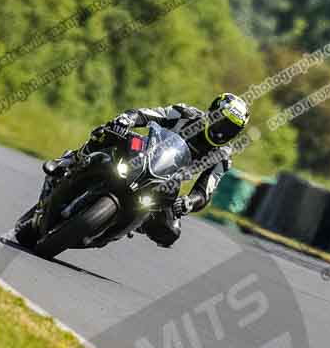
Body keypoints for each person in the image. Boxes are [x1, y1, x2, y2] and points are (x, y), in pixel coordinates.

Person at [41, 93, 250, 247]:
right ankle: (71, 159)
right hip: (141, 155)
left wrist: (188, 202)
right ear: (212, 112)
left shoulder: (222, 156)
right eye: (222, 121)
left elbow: (205, 191)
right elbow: (148, 114)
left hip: (164, 182)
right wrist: (128, 120)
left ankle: (126, 224)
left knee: (170, 232)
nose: (223, 130)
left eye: (231, 128)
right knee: (110, 132)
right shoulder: (185, 114)